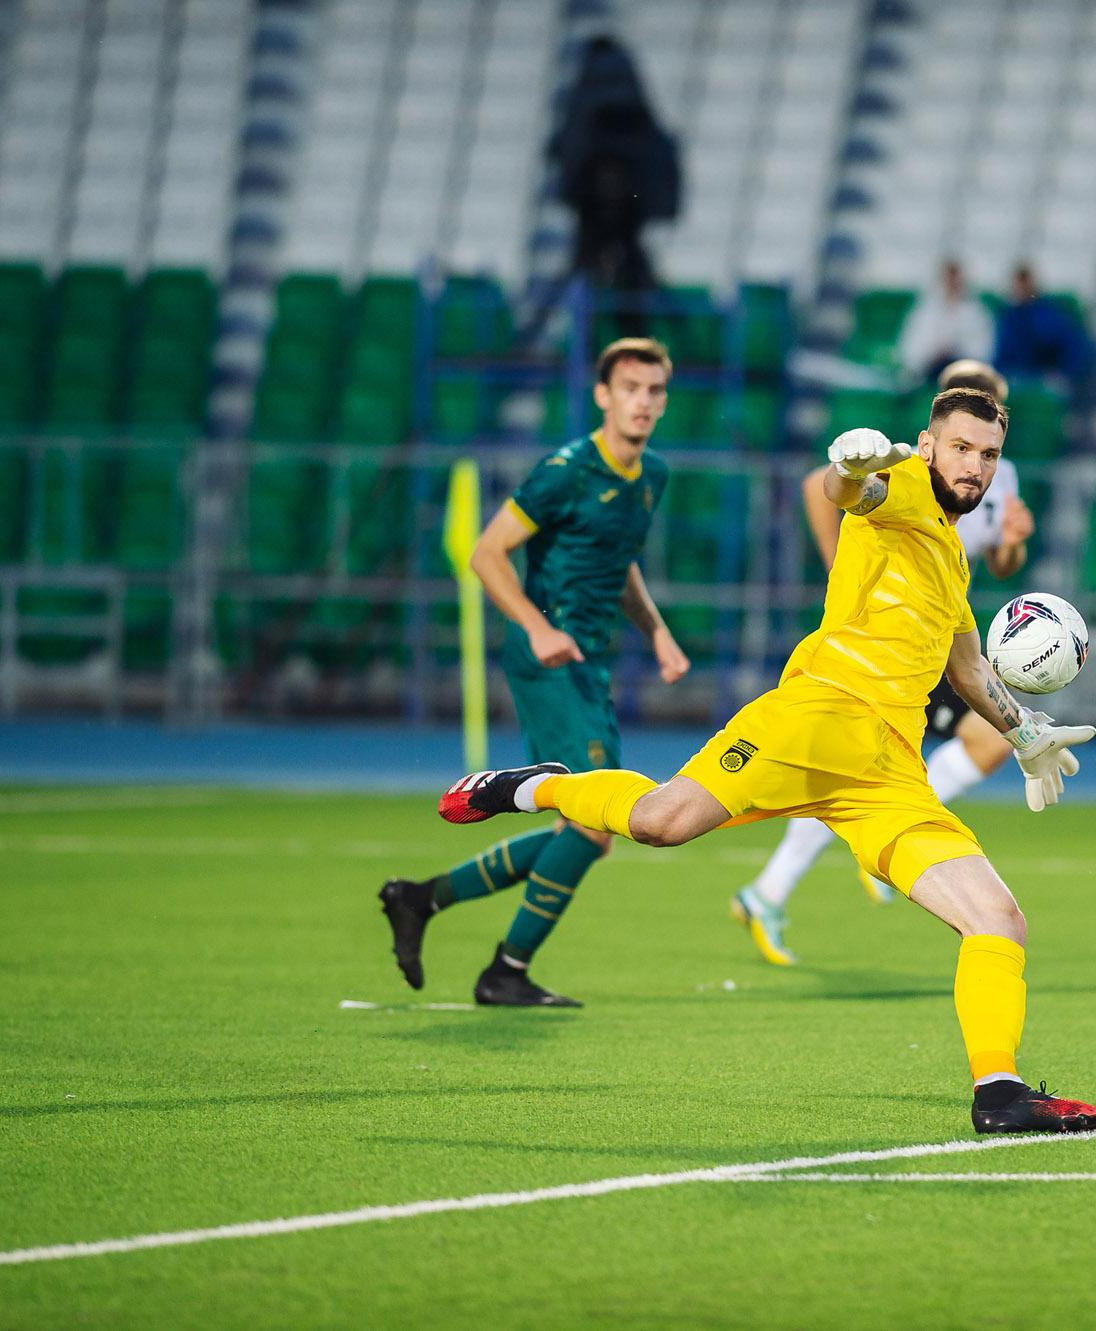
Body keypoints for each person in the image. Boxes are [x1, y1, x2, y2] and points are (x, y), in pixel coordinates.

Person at [435, 388, 1096, 1135]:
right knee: (660, 823)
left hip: (887, 769)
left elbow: (969, 666)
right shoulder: (903, 488)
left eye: (988, 454)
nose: (974, 466)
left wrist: (1024, 734)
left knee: (998, 918)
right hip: (812, 720)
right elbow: (851, 494)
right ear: (927, 446)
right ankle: (541, 788)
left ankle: (1000, 1092)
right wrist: (847, 470)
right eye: (960, 447)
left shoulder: (953, 558)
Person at [377, 339, 689, 1006]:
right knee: (593, 824)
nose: (643, 401)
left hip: (587, 663)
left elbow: (618, 561)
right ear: (603, 395)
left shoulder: (651, 475)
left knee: (583, 830)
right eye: (630, 388)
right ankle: (504, 971)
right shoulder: (563, 472)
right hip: (547, 659)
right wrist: (536, 626)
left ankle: (421, 899)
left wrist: (657, 631)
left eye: (654, 390)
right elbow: (487, 553)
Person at [730, 361, 1035, 965]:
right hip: (889, 635)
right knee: (859, 768)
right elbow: (826, 485)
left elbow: (998, 562)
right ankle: (798, 877)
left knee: (969, 747)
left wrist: (1014, 542)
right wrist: (840, 561)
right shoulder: (910, 466)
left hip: (941, 630)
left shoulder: (999, 475)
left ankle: (782, 885)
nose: (977, 452)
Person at [552, 37, 680, 300]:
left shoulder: (588, 88)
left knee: (586, 262)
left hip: (595, 197)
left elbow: (571, 141)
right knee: (632, 266)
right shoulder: (629, 88)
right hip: (632, 196)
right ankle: (645, 316)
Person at [896, 261, 995, 382]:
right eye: (948, 279)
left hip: (963, 370)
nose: (952, 283)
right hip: (930, 369)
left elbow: (982, 349)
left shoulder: (976, 312)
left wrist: (955, 350)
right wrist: (934, 353)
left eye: (956, 279)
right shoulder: (925, 311)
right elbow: (911, 348)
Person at [992, 265, 1090, 387]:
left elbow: (1071, 343)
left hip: (1048, 378)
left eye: (1025, 285)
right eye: (1018, 286)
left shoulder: (1049, 314)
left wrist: (1064, 373)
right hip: (1018, 379)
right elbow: (1002, 355)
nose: (1021, 290)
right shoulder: (1009, 318)